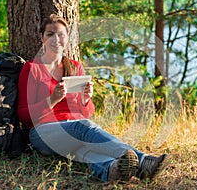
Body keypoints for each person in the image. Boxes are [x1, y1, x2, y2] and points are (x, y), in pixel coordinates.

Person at [17, 14, 169, 182]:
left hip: (73, 130)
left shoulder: (75, 67)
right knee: (84, 127)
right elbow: (23, 115)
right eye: (50, 34)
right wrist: (52, 100)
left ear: (67, 38)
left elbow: (85, 112)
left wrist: (86, 99)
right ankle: (142, 160)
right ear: (41, 38)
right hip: (42, 133)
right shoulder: (32, 68)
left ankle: (112, 170)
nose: (56, 39)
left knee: (84, 148)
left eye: (61, 34)